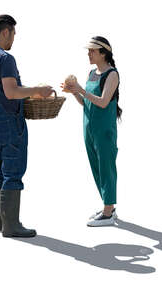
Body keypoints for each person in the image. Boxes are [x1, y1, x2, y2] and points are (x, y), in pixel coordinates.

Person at [0, 15, 54, 237]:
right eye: (13, 35)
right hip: (10, 120)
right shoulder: (4, 58)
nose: (13, 40)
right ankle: (11, 226)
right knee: (13, 171)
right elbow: (11, 92)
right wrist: (37, 91)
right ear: (5, 32)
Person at [63, 36, 122, 227]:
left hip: (104, 129)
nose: (88, 54)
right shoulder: (91, 73)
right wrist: (74, 92)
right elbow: (85, 102)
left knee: (106, 167)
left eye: (92, 51)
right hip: (89, 126)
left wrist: (81, 88)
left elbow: (104, 102)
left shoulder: (112, 74)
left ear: (103, 53)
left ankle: (108, 213)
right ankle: (108, 206)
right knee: (96, 166)